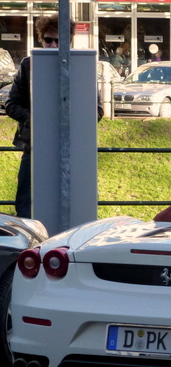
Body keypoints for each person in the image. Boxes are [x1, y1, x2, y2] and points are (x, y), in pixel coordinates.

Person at [6, 14, 104, 218]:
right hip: (35, 146)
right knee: (26, 204)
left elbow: (97, 110)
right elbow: (11, 104)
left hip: (74, 150)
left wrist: (75, 122)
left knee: (79, 205)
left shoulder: (82, 66)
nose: (52, 45)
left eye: (58, 40)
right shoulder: (28, 65)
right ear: (41, 39)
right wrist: (38, 121)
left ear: (69, 41)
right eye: (48, 40)